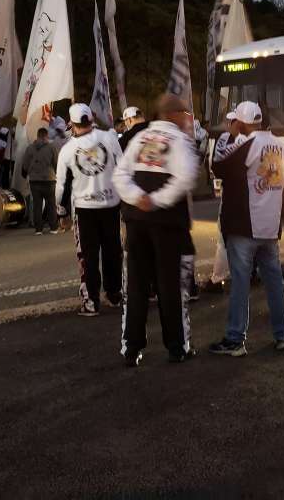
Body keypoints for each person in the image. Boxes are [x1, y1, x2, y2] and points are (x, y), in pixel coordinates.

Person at [114, 93, 200, 366]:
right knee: (170, 287)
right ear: (173, 115)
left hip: (136, 222)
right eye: (183, 113)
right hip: (167, 225)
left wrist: (137, 197)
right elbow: (186, 178)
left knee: (136, 287)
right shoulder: (180, 142)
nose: (187, 118)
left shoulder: (141, 138)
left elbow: (119, 175)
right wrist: (156, 200)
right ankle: (177, 347)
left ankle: (131, 349)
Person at [208, 101, 284, 357]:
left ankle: (235, 339)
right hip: (270, 226)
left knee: (240, 284)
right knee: (274, 282)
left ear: (241, 123)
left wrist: (229, 136)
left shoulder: (246, 144)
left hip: (245, 225)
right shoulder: (280, 145)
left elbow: (218, 166)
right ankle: (283, 335)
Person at [55, 103, 124, 316]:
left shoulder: (68, 150)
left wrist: (61, 212)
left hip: (84, 209)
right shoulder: (110, 138)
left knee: (88, 256)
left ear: (72, 123)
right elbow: (122, 167)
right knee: (113, 251)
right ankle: (114, 294)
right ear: (91, 119)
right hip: (111, 205)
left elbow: (61, 185)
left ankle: (91, 301)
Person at [202, 111, 241, 293]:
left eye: (229, 122)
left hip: (234, 196)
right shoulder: (232, 139)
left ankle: (218, 278)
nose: (226, 125)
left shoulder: (232, 140)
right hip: (241, 196)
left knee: (225, 239)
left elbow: (218, 166)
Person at [22, 127, 60, 235]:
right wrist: (56, 173)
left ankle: (38, 229)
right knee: (51, 204)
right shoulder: (52, 147)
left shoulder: (30, 148)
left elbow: (25, 164)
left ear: (37, 136)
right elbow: (56, 162)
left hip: (34, 180)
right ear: (46, 136)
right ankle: (53, 227)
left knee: (37, 205)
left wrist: (28, 173)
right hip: (49, 180)